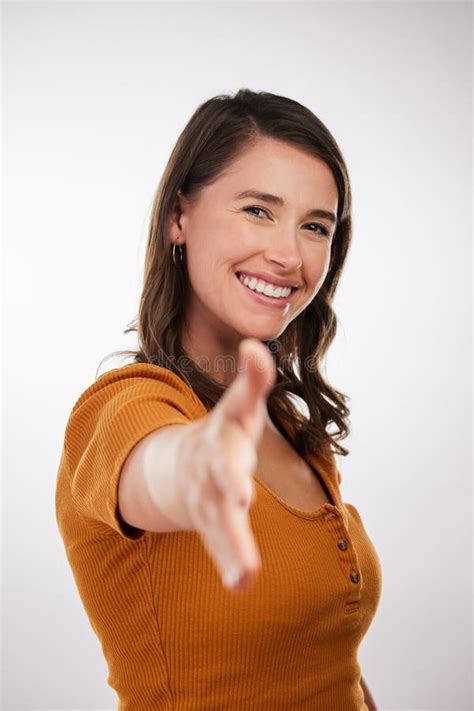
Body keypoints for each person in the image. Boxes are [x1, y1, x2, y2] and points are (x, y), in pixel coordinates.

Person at [55, 88, 382, 710]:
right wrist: (195, 465)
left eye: (316, 226)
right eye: (259, 210)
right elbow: (161, 467)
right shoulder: (123, 406)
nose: (290, 255)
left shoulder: (292, 429)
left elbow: (331, 664)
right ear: (180, 216)